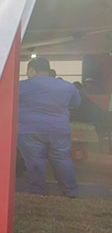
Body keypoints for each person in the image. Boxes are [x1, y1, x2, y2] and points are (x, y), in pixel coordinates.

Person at [18, 56, 80, 197]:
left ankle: (37, 192)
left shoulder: (21, 86)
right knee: (62, 159)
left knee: (35, 160)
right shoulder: (68, 86)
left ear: (32, 70)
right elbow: (76, 104)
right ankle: (70, 191)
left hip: (29, 130)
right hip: (59, 129)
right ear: (48, 70)